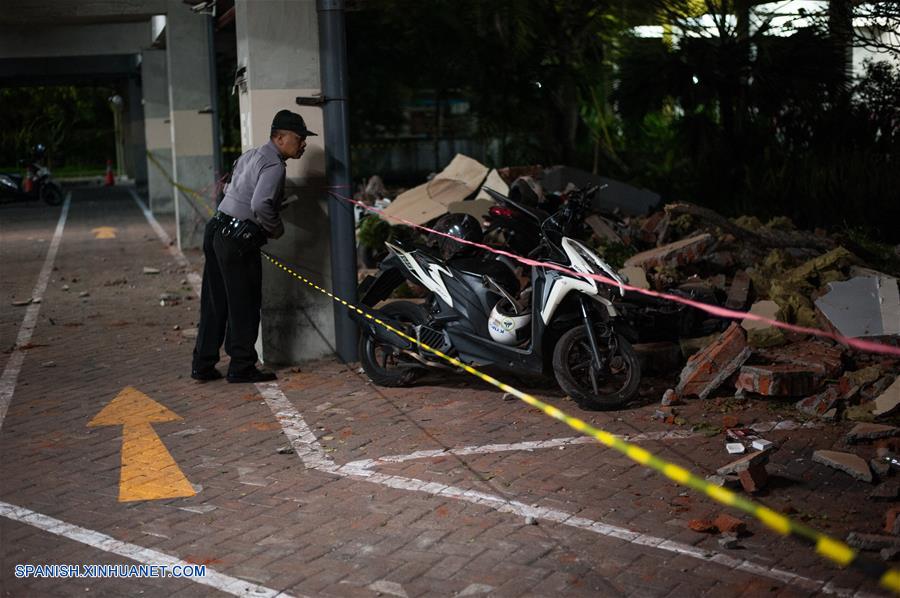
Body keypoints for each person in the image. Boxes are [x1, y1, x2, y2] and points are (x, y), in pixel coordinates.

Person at [191, 109, 316, 383]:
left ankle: (202, 363)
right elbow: (260, 204)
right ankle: (241, 366)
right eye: (299, 137)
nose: (303, 143)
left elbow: (228, 188)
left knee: (215, 301)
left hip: (217, 229)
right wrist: (275, 228)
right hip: (237, 240)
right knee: (244, 303)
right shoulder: (274, 165)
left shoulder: (251, 155)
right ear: (280, 137)